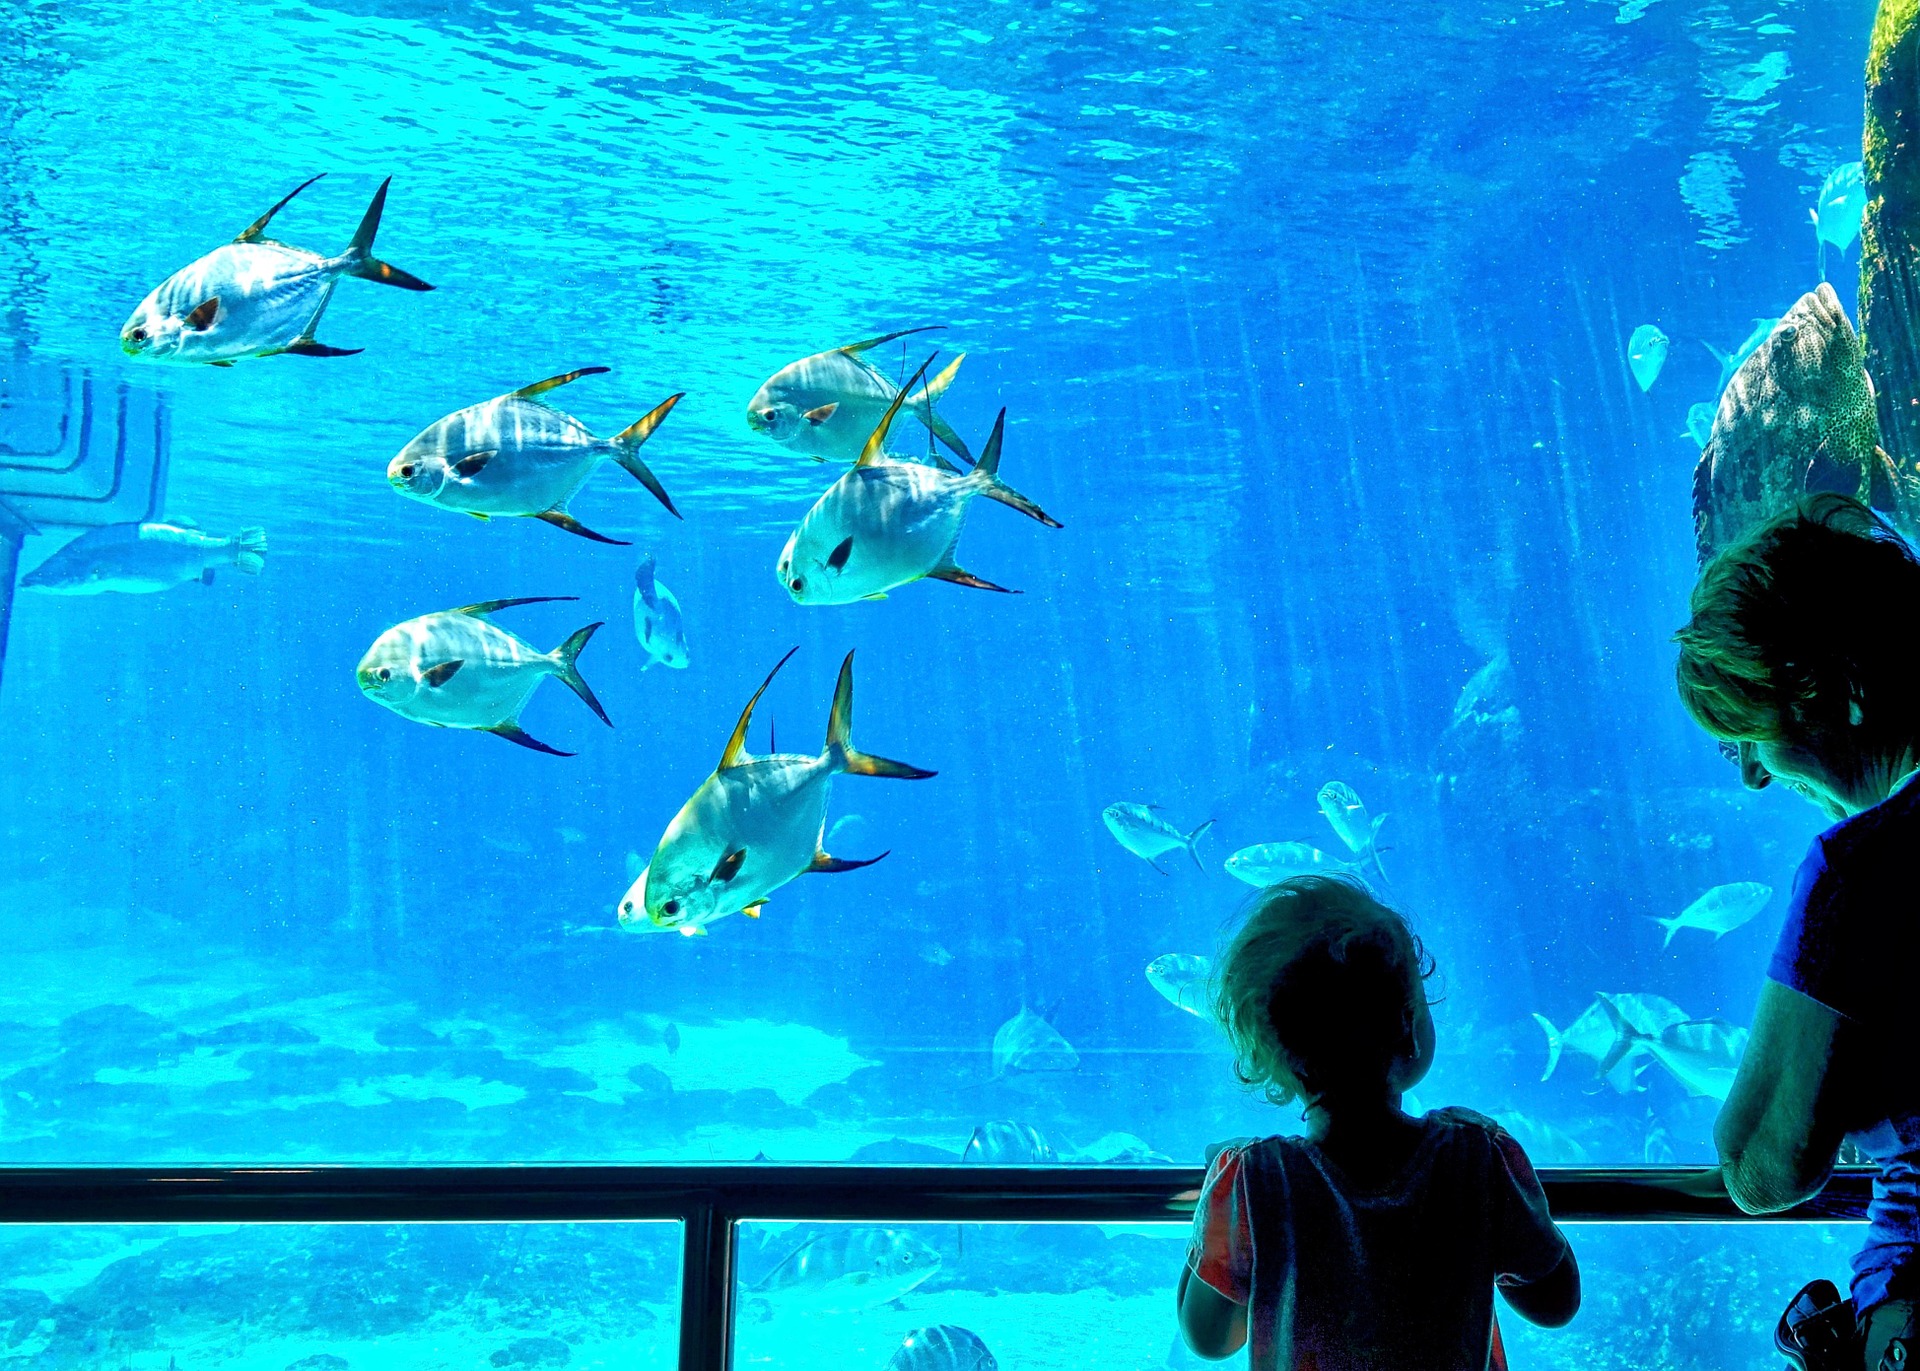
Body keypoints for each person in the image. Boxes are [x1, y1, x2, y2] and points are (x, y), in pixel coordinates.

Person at [1674, 492, 1920, 1370]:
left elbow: (1759, 1164)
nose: (1751, 774)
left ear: (1843, 689)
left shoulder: (1861, 870)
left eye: (1751, 727)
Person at [1177, 875, 1581, 1368]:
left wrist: (1217, 1192)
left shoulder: (1253, 1177)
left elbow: (1209, 1338)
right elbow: (1555, 1303)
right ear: (1409, 1027)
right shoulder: (1476, 1154)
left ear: (1269, 1055)